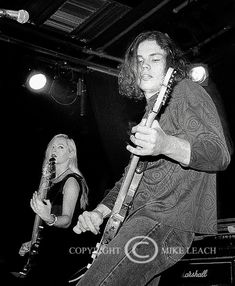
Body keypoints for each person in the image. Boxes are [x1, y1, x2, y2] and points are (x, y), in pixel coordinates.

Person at [73, 31, 231, 286]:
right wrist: (100, 212)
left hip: (163, 220)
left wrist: (166, 144)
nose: (144, 65)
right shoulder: (150, 115)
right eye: (139, 60)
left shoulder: (185, 90)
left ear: (170, 65)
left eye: (155, 59)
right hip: (142, 223)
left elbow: (218, 153)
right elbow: (130, 180)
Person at [18, 134, 89, 286]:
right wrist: (34, 241)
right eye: (53, 147)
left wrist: (49, 217)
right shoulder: (49, 180)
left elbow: (67, 220)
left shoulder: (71, 180)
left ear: (70, 154)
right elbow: (46, 227)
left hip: (59, 255)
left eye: (60, 147)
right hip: (45, 250)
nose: (54, 150)